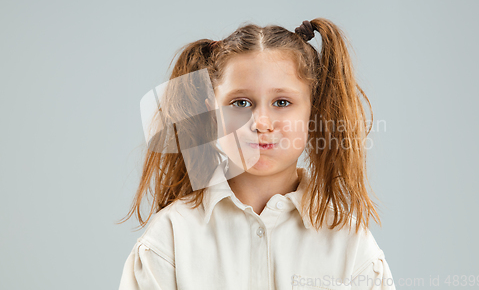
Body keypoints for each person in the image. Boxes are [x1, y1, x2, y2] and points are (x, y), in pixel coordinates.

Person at [117, 18, 396, 290]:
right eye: (241, 103)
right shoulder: (170, 239)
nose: (261, 122)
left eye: (282, 102)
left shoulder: (350, 245)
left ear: (314, 113)